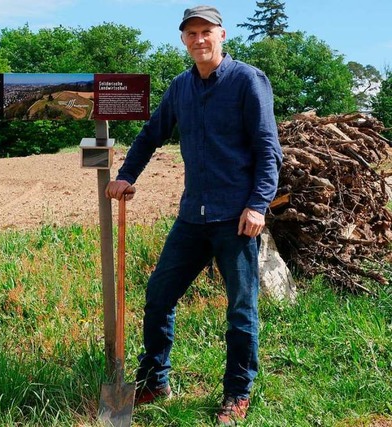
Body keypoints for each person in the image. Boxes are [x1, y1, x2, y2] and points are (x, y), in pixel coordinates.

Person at [104, 5, 282, 426]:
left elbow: (267, 149)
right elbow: (151, 133)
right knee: (159, 295)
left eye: (206, 32)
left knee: (241, 310)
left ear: (222, 36)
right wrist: (126, 175)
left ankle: (237, 394)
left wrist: (258, 205)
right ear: (183, 40)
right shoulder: (181, 87)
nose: (199, 39)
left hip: (236, 217)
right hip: (193, 216)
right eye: (191, 34)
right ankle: (154, 381)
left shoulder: (247, 81)